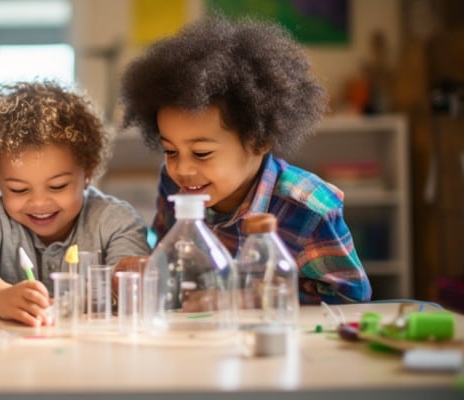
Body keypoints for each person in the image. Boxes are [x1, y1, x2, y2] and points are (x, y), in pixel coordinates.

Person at [117, 17, 371, 304]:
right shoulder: (175, 184)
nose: (182, 169)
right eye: (171, 151)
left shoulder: (308, 210)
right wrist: (150, 269)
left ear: (258, 140)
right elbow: (172, 263)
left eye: (201, 153)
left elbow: (350, 299)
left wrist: (247, 299)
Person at [0, 80, 151, 326]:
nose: (38, 202)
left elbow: (131, 282)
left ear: (87, 172)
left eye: (58, 186)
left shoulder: (116, 222)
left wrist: (109, 287)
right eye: (18, 189)